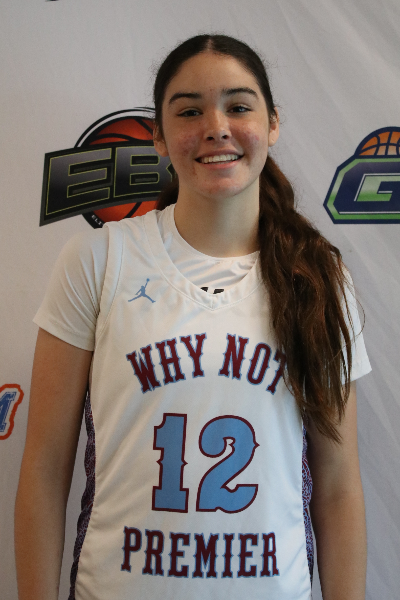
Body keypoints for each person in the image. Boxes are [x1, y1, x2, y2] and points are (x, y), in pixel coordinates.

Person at [15, 34, 371, 600]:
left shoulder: (319, 276)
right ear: (158, 134)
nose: (216, 127)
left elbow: (338, 487)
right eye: (189, 111)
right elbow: (43, 468)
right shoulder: (100, 260)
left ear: (272, 124)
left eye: (238, 106)